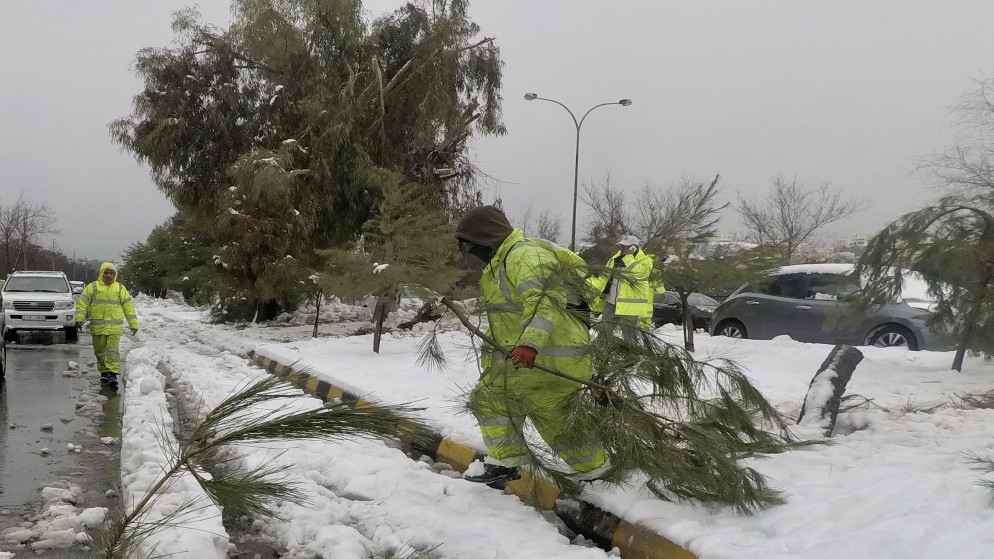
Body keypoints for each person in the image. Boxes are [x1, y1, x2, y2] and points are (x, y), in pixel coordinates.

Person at [455, 205, 609, 487]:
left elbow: (544, 302)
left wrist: (529, 345)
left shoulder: (525, 256)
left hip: (551, 358)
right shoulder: (503, 260)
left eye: (470, 243)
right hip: (523, 361)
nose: (468, 251)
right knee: (490, 399)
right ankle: (506, 462)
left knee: (554, 419)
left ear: (486, 237)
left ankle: (599, 473)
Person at [75, 262, 139, 390]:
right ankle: (104, 372)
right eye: (106, 273)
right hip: (97, 327)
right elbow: (83, 303)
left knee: (112, 351)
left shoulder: (120, 289)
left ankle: (112, 374)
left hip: (114, 328)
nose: (109, 276)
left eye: (111, 273)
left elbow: (128, 307)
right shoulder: (92, 287)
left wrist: (133, 323)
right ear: (101, 273)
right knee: (99, 351)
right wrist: (79, 318)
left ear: (115, 275)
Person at [588, 235, 654, 328]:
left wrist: (629, 257)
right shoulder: (615, 259)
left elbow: (641, 273)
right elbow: (605, 277)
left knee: (629, 334)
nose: (622, 248)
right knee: (605, 330)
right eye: (621, 246)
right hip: (611, 301)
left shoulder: (645, 260)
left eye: (625, 246)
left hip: (629, 305)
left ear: (634, 247)